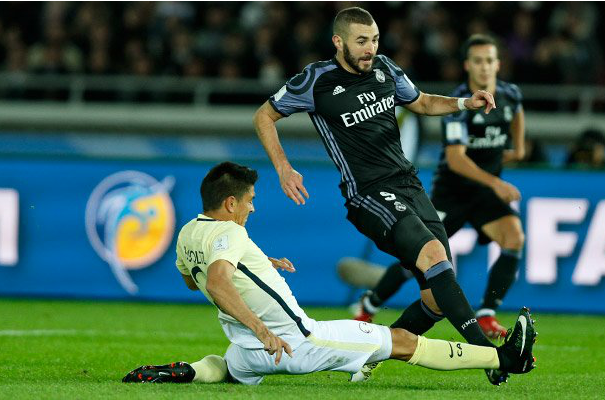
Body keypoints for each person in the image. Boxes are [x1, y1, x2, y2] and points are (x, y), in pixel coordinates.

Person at [253, 7, 518, 384]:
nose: (370, 48)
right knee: (432, 255)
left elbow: (422, 102)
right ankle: (490, 356)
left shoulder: (386, 70)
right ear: (338, 41)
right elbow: (264, 115)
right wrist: (283, 166)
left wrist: (464, 103)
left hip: (409, 185)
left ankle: (372, 357)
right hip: (368, 193)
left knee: (436, 299)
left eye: (375, 39)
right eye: (362, 41)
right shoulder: (316, 79)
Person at [121, 162, 537, 385]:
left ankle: (186, 372)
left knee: (227, 367)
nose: (253, 207)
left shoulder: (189, 232)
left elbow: (192, 280)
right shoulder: (230, 232)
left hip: (246, 350)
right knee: (404, 342)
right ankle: (503, 358)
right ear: (229, 203)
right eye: (248, 200)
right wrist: (264, 328)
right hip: (295, 341)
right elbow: (216, 280)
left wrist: (261, 267)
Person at [339, 34, 528, 339]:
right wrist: (496, 180)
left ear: (498, 64)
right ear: (467, 65)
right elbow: (455, 160)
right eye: (478, 61)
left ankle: (487, 314)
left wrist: (516, 150)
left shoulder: (510, 96)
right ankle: (369, 303)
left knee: (514, 238)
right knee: (420, 258)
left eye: (489, 61)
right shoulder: (459, 103)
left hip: (484, 196)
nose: (484, 67)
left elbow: (516, 125)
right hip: (451, 194)